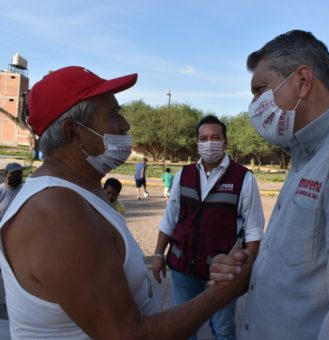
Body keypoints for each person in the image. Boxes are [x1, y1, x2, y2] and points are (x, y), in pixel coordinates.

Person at [0, 66, 251, 339]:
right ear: (73, 133)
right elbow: (127, 335)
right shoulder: (56, 214)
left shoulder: (77, 192)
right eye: (113, 115)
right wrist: (222, 292)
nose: (125, 125)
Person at [209, 30, 329, 339]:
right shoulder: (310, 154)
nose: (254, 105)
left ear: (302, 81)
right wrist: (255, 267)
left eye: (260, 89)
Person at [152, 115, 265, 340]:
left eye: (215, 137)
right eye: (204, 138)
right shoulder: (184, 174)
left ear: (225, 142)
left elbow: (253, 228)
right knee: (183, 328)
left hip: (221, 273)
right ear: (197, 143)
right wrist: (158, 254)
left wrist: (247, 264)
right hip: (183, 268)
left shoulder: (243, 178)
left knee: (222, 329)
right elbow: (170, 218)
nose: (209, 143)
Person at [0, 162, 24, 320]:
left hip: (16, 238)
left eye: (19, 174)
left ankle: (9, 302)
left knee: (11, 271)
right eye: (13, 173)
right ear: (6, 174)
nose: (16, 176)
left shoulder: (23, 190)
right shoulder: (1, 190)